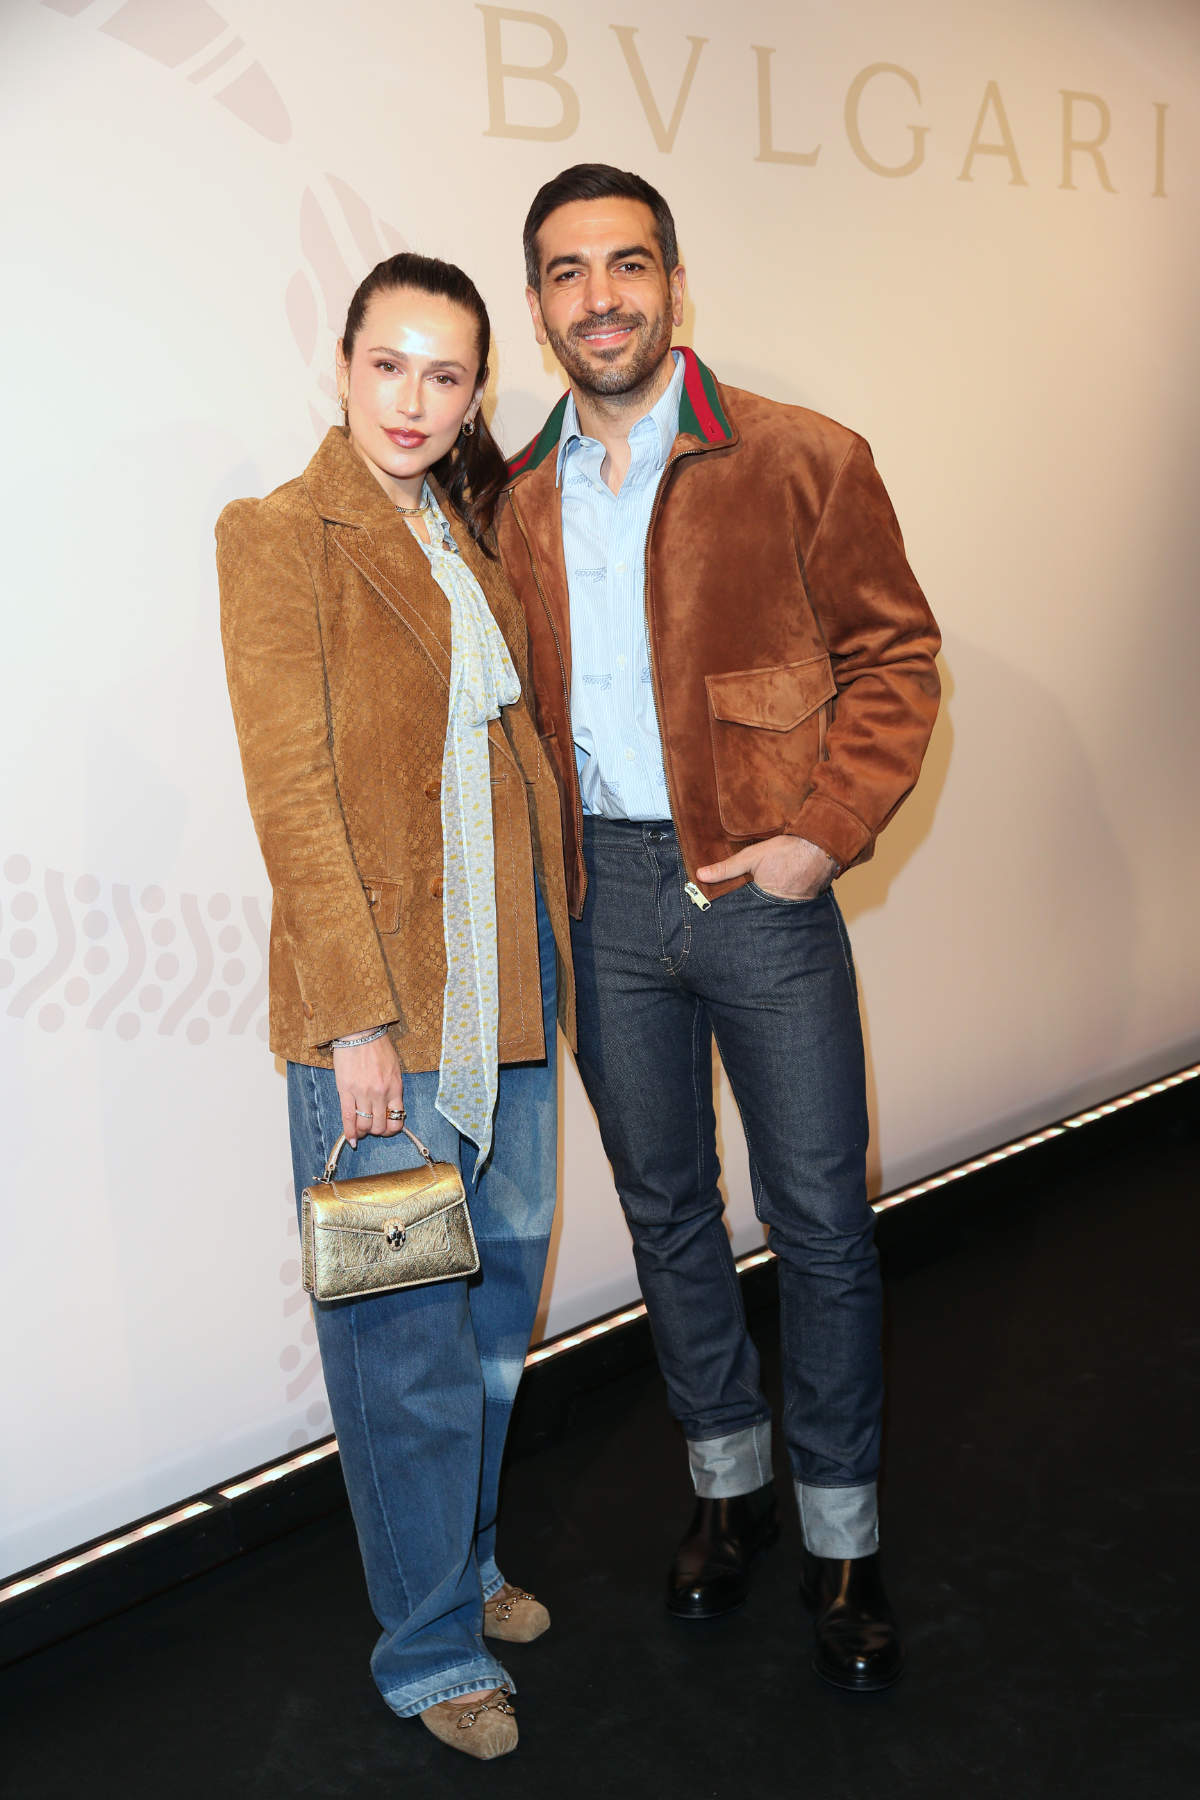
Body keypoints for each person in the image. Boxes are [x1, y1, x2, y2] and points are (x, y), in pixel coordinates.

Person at [498, 165, 941, 1693]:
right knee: (670, 1213)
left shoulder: (803, 458)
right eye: (566, 272)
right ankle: (729, 1496)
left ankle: (843, 1534)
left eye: (627, 265)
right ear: (539, 304)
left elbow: (897, 658)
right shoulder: (511, 497)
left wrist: (820, 837)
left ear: (675, 285)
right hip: (602, 906)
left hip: (761, 893)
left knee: (820, 1219)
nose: (599, 296)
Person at [216, 252, 575, 1761]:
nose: (417, 399)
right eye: (390, 365)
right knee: (403, 1350)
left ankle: (465, 1566)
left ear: (474, 389)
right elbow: (293, 792)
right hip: (383, 1029)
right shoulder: (279, 534)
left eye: (447, 374)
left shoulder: (462, 531)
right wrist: (355, 1021)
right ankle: (429, 1652)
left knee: (492, 1321)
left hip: (509, 1005)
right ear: (342, 367)